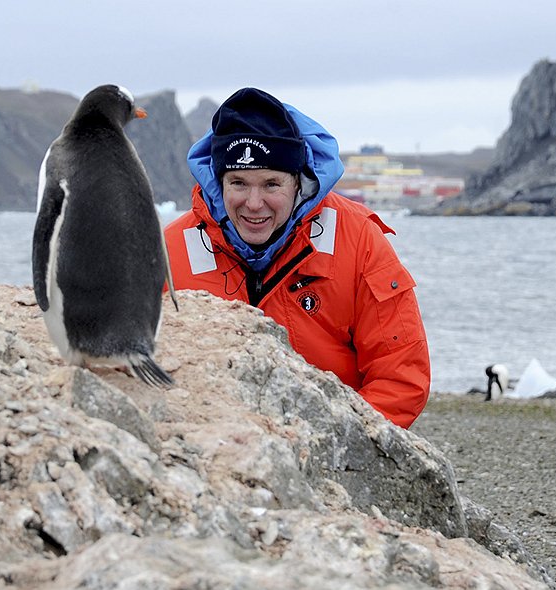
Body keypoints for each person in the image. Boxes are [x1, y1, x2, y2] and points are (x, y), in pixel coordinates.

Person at [164, 87, 430, 428]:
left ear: (298, 182)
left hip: (332, 446)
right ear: (217, 182)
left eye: (271, 184)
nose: (254, 203)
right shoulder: (171, 251)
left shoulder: (358, 240)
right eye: (239, 183)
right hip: (213, 448)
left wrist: (336, 448)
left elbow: (400, 373)